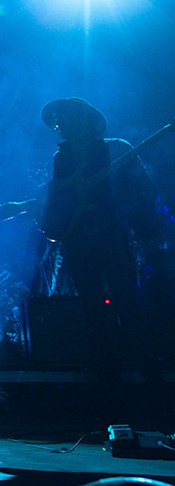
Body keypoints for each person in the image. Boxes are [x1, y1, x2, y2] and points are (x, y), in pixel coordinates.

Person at [38, 97, 165, 417]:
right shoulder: (61, 158)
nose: (61, 125)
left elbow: (142, 191)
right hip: (80, 243)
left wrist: (131, 220)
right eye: (58, 120)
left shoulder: (117, 148)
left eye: (66, 118)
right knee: (93, 315)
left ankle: (156, 394)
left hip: (111, 238)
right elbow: (58, 199)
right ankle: (109, 400)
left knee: (129, 310)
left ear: (82, 120)